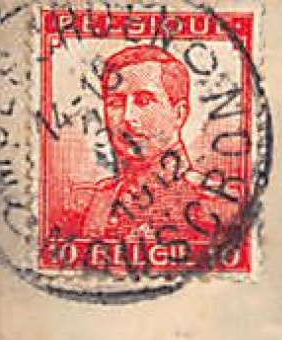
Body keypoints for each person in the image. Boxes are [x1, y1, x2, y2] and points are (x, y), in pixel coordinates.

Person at [54, 45, 242, 266]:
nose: (127, 117)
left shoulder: (215, 204)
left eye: (144, 101)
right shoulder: (84, 205)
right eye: (115, 103)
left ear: (179, 114)